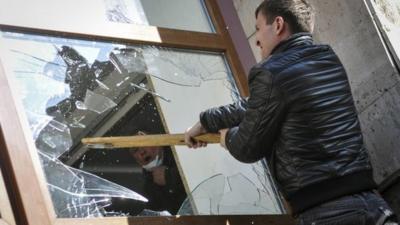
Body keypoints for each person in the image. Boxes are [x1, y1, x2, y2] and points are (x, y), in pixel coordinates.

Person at [184, 0, 398, 224]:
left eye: (258, 28)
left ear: (278, 25)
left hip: (327, 211)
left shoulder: (270, 72)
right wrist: (205, 121)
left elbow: (247, 147)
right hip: (371, 202)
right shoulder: (327, 58)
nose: (256, 39)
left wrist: (226, 137)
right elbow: (257, 105)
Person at [129, 131, 187, 215]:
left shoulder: (178, 148)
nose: (142, 152)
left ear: (154, 139)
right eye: (135, 150)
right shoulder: (148, 188)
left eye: (141, 143)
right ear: (137, 161)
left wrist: (169, 176)